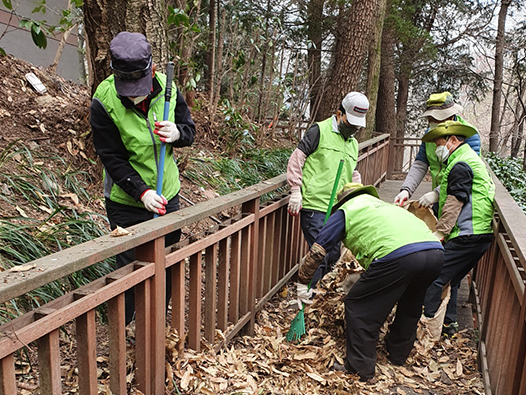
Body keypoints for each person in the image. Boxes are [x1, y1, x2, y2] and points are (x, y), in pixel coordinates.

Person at [90, 32, 195, 324]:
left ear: (151, 71)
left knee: (164, 262)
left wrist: (177, 134)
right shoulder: (104, 101)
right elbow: (111, 157)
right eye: (128, 88)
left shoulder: (168, 89)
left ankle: (153, 327)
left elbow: (190, 130)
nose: (135, 95)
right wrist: (141, 191)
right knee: (129, 270)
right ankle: (122, 333)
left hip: (167, 196)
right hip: (126, 201)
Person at [296, 183, 444, 381]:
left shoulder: (345, 211)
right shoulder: (382, 206)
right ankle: (398, 354)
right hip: (434, 252)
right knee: (411, 303)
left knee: (358, 306)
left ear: (342, 202)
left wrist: (303, 279)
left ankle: (360, 368)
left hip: (400, 255)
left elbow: (318, 250)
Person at [287, 92, 369, 287]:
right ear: (339, 114)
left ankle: (323, 299)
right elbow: (297, 159)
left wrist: (359, 195)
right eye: (350, 123)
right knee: (319, 255)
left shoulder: (353, 143)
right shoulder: (319, 131)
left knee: (333, 255)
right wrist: (295, 190)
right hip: (315, 205)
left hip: (338, 208)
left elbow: (353, 172)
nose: (353, 128)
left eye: (357, 125)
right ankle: (308, 299)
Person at [421, 121, 494, 337]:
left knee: (434, 276)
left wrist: (440, 232)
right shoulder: (466, 159)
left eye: (439, 144)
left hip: (467, 234)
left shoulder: (460, 163)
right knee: (450, 279)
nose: (436, 150)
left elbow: (455, 200)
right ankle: (447, 326)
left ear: (453, 141)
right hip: (478, 233)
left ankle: (426, 326)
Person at [394, 92, 481, 213]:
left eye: (437, 119)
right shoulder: (430, 133)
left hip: (460, 199)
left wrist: (437, 194)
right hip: (438, 196)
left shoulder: (469, 134)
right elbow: (421, 163)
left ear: (451, 116)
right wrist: (406, 190)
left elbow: (468, 174)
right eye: (430, 120)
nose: (433, 123)